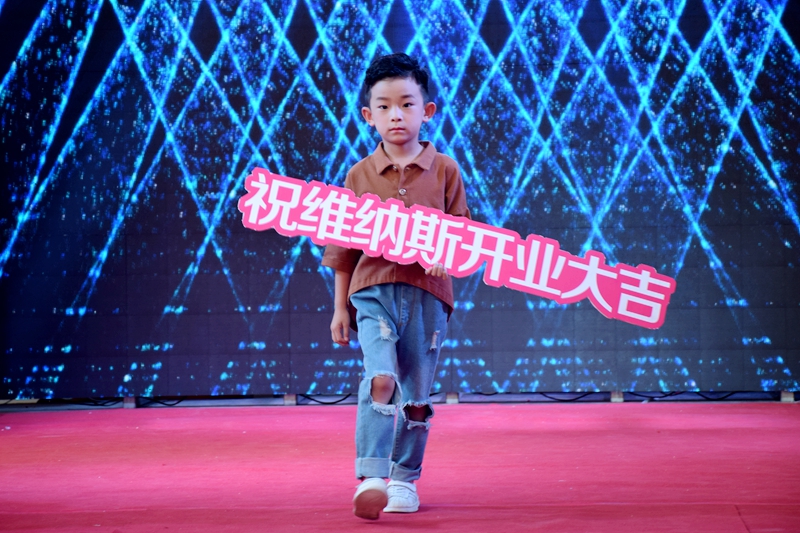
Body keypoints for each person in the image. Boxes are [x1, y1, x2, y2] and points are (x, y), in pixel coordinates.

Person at [321, 52, 471, 520]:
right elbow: (343, 248)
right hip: (373, 293)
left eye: (407, 104)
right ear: (369, 116)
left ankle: (404, 479)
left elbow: (464, 232)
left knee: (417, 396)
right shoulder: (358, 174)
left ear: (427, 110)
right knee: (381, 378)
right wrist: (339, 307)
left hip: (427, 298)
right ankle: (371, 475)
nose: (396, 115)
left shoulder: (445, 169)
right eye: (384, 107)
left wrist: (448, 252)